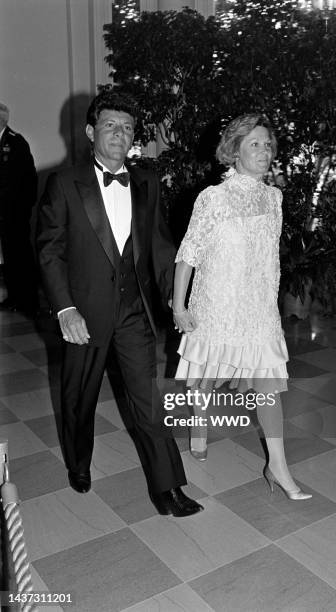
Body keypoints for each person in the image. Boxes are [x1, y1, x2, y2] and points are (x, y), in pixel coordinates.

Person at [36, 90, 203, 517]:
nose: (119, 133)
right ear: (91, 131)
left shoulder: (146, 181)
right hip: (84, 314)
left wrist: (176, 296)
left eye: (127, 127)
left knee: (149, 399)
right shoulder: (64, 182)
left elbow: (161, 248)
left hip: (134, 312)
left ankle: (169, 488)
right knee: (79, 397)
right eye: (110, 125)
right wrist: (64, 308)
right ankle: (78, 463)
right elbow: (50, 250)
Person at [172, 114, 312, 501]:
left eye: (268, 144)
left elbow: (272, 258)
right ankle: (199, 425)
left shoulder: (274, 197)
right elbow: (189, 254)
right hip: (217, 300)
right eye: (254, 144)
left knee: (269, 384)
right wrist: (179, 306)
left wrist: (270, 305)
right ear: (233, 151)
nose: (264, 151)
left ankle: (278, 465)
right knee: (206, 374)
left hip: (258, 307)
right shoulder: (212, 198)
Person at [0, 103, 38, 314]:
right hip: (3, 214)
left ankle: (29, 301)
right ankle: (15, 297)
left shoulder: (16, 142)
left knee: (20, 256)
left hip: (15, 213)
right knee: (9, 255)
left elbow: (28, 180)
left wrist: (23, 209)